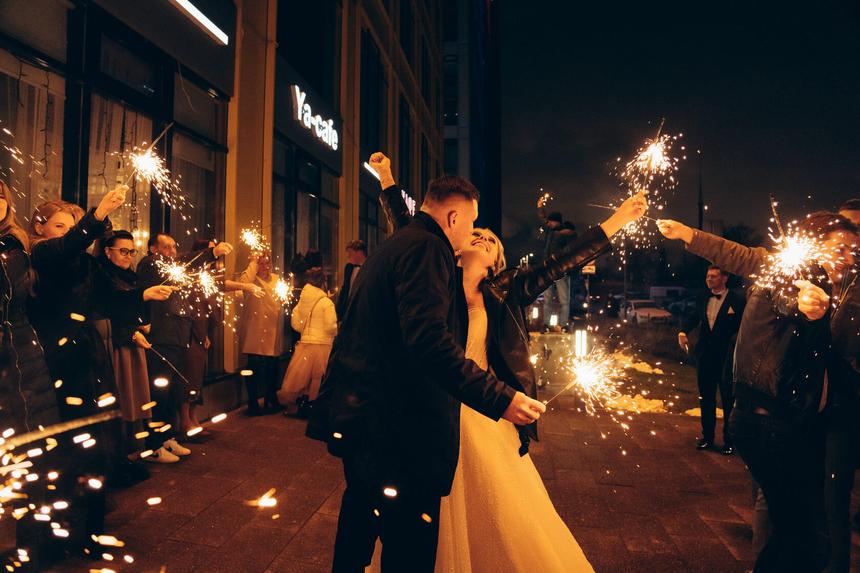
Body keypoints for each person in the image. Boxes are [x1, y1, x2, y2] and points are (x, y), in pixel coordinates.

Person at [368, 152, 647, 571]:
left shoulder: (507, 290)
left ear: (498, 261)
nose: (481, 237)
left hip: (485, 409)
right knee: (426, 513)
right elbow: (410, 228)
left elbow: (562, 262)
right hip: (433, 409)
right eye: (475, 232)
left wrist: (619, 219)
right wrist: (387, 179)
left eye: (490, 239)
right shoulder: (435, 277)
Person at [307, 160, 547, 572]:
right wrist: (501, 399)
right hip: (401, 436)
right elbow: (430, 343)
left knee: (356, 538)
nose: (472, 232)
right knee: (408, 553)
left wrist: (387, 181)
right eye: (470, 222)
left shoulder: (395, 245)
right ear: (453, 217)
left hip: (366, 425)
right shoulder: (428, 249)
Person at [658, 213, 855, 572]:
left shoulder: (837, 286)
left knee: (796, 529)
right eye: (840, 248)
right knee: (805, 534)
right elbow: (766, 278)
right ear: (815, 243)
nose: (847, 257)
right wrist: (805, 304)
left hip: (783, 420)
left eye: (853, 250)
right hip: (767, 421)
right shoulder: (790, 273)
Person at [27, 188, 128, 557]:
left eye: (71, 226)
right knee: (61, 449)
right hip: (55, 364)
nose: (68, 232)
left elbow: (109, 293)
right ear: (40, 228)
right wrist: (96, 215)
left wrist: (143, 297)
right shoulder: (41, 253)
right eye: (60, 225)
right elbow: (66, 248)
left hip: (88, 359)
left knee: (95, 445)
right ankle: (56, 533)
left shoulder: (82, 262)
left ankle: (92, 530)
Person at [0, 181, 62, 569]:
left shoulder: (16, 247)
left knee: (25, 454)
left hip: (21, 364)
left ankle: (25, 544)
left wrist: (96, 219)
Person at [136, 233, 233, 462]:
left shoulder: (175, 271)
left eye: (173, 246)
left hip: (178, 339)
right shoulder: (150, 264)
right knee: (159, 392)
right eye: (166, 247)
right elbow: (183, 261)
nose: (172, 251)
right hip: (162, 339)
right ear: (153, 249)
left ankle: (167, 438)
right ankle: (153, 445)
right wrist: (211, 253)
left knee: (172, 392)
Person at [93, 230, 174, 475]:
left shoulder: (130, 276)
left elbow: (133, 308)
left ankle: (134, 452)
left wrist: (142, 323)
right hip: (117, 346)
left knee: (136, 397)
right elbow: (110, 308)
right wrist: (132, 330)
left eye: (131, 251)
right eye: (123, 251)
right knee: (123, 397)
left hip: (133, 344)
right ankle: (122, 455)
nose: (128, 256)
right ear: (108, 252)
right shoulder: (102, 275)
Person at [677, 265, 745, 454]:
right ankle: (707, 437)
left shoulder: (737, 300)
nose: (709, 279)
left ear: (725, 278)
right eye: (708, 276)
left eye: (713, 276)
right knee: (706, 398)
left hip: (726, 358)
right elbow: (694, 317)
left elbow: (743, 327)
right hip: (705, 355)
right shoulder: (702, 297)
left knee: (728, 399)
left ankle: (729, 441)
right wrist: (683, 331)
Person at [279, 267, 337, 417]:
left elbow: (296, 324)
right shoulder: (326, 302)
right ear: (323, 282)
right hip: (322, 344)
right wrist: (337, 329)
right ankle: (313, 406)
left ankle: (302, 406)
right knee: (317, 377)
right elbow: (330, 327)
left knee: (304, 378)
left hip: (306, 343)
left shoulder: (302, 301)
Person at [237, 250, 287, 415]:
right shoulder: (251, 280)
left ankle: (271, 397)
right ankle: (253, 402)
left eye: (267, 263)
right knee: (254, 367)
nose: (265, 267)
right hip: (255, 329)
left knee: (273, 367)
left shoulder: (276, 279)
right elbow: (243, 282)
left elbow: (281, 300)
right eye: (261, 263)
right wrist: (253, 262)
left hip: (272, 329)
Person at [537, 196, 577, 329]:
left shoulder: (565, 234)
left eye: (550, 222)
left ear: (556, 222)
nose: (547, 224)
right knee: (548, 299)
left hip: (560, 270)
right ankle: (546, 324)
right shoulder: (550, 231)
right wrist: (540, 207)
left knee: (563, 300)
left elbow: (572, 247)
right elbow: (543, 219)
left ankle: (563, 325)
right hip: (548, 269)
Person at [335, 240, 367, 318]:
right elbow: (345, 288)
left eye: (350, 253)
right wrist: (339, 309)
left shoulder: (368, 268)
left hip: (362, 307)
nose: (348, 257)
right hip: (348, 307)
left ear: (359, 253)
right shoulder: (349, 267)